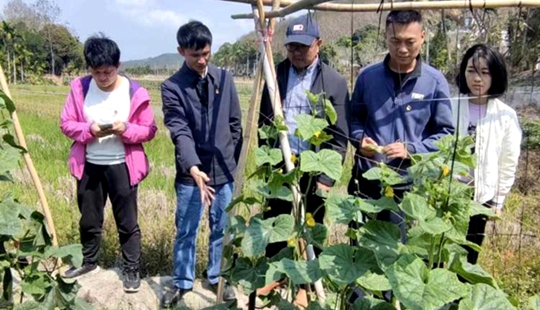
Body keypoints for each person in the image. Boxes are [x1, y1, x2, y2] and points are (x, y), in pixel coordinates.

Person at [257, 15, 350, 307]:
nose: (296, 52)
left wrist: (326, 179)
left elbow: (339, 134)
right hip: (282, 165)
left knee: (311, 227)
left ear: (318, 44)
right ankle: (276, 275)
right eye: (291, 47)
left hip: (313, 168)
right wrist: (269, 160)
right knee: (276, 221)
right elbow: (264, 120)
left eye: (303, 46)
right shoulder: (275, 73)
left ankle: (306, 286)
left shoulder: (333, 81)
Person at [59, 35, 157, 293]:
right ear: (89, 68)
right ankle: (88, 261)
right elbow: (66, 124)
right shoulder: (79, 88)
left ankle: (131, 268)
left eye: (108, 71)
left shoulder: (135, 92)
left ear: (119, 65)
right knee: (89, 219)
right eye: (96, 71)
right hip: (89, 164)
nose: (102, 77)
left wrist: (126, 129)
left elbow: (149, 129)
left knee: (127, 221)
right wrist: (88, 130)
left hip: (122, 166)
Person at [348, 10, 454, 240]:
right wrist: (359, 139)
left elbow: (446, 134)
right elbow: (354, 119)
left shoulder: (434, 82)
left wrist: (412, 150)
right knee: (359, 254)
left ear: (423, 37)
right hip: (367, 182)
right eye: (395, 41)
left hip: (409, 188)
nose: (402, 49)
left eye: (410, 41)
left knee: (399, 258)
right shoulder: (367, 78)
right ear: (386, 37)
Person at [160, 21, 242, 307]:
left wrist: (230, 161)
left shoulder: (225, 79)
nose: (202, 60)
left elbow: (235, 125)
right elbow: (179, 130)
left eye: (206, 53)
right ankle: (182, 281)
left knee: (222, 227)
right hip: (190, 173)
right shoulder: (172, 87)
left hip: (223, 169)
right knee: (186, 228)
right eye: (195, 54)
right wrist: (193, 168)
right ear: (181, 51)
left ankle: (217, 276)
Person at [453, 43, 521, 264]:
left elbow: (508, 161)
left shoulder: (505, 115)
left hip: (482, 197)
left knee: (469, 255)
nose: (477, 79)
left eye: (485, 72)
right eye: (471, 71)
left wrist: (498, 201)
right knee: (442, 249)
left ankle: (463, 297)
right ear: (463, 72)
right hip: (450, 193)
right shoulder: (450, 107)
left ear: (495, 75)